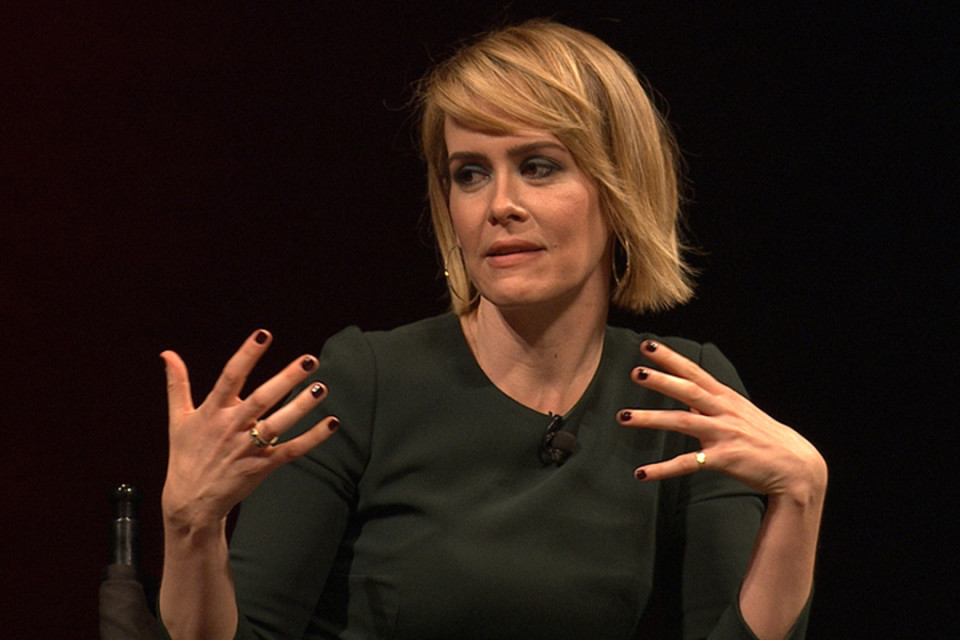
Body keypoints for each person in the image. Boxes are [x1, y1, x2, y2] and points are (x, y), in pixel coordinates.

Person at [157, 19, 827, 640]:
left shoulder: (678, 393)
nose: (500, 205)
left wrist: (800, 498)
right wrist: (191, 529)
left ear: (621, 187)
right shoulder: (365, 381)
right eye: (470, 174)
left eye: (538, 167)